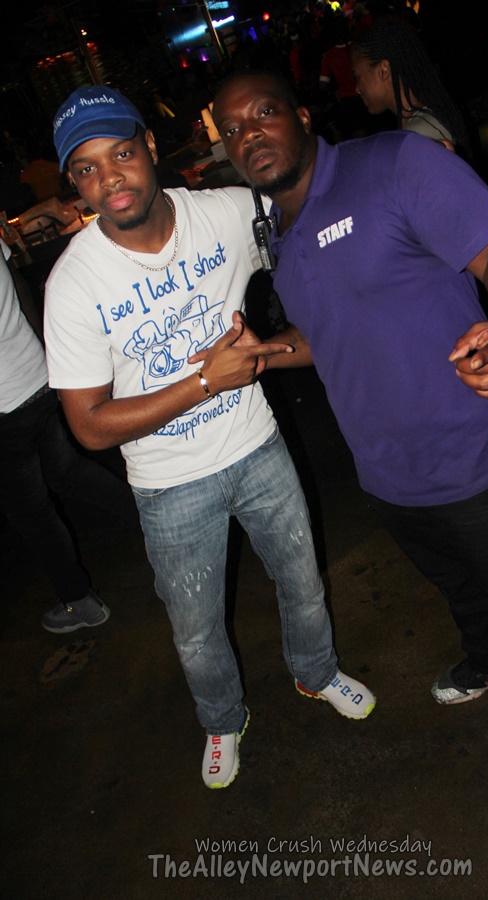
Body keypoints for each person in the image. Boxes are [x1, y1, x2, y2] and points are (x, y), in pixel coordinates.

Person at [211, 69, 488, 781]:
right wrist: (266, 353)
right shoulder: (279, 237)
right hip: (386, 473)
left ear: (302, 115)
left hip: (477, 450)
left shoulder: (393, 163)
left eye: (264, 112)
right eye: (232, 129)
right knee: (458, 586)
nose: (249, 134)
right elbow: (326, 330)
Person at [43, 86, 375, 791]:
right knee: (195, 630)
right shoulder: (73, 282)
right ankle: (222, 720)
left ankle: (315, 672)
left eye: (121, 155)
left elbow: (309, 206)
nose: (110, 180)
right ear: (75, 183)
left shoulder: (224, 212)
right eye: (87, 169)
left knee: (303, 582)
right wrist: (204, 382)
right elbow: (88, 424)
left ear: (150, 147)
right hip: (167, 485)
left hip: (257, 444)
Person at [0, 235, 139, 633]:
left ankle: (79, 600)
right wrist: (43, 351)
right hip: (35, 375)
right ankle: (152, 517)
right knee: (67, 472)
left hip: (5, 405)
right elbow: (17, 284)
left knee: (33, 513)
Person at [350, 17, 471, 156]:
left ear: (384, 69)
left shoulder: (420, 134)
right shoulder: (423, 121)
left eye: (357, 76)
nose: (357, 89)